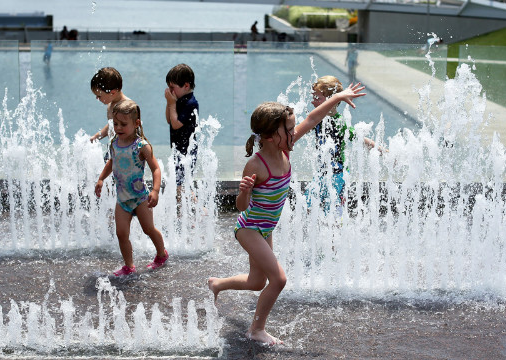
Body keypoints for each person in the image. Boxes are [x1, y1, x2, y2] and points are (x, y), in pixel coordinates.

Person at [207, 82, 366, 346]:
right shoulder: (256, 164)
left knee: (257, 282)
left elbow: (314, 117)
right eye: (289, 130)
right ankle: (256, 329)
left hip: (265, 229)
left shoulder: (283, 148)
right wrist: (244, 190)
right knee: (278, 279)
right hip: (249, 229)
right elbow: (241, 207)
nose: (295, 133)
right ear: (270, 136)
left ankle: (217, 284)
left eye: (293, 129)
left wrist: (338, 96)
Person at [94, 99, 168, 276]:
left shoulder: (142, 146)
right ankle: (129, 265)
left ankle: (161, 254)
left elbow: (156, 169)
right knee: (121, 233)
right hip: (123, 199)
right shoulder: (114, 143)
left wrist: (155, 191)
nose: (118, 128)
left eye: (123, 124)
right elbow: (112, 162)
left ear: (136, 123)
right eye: (116, 123)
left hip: (140, 198)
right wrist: (101, 179)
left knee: (148, 229)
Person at [307, 75, 385, 212]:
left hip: (338, 173)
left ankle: (336, 227)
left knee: (334, 206)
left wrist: (380, 149)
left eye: (317, 98)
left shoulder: (338, 122)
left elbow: (357, 137)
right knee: (309, 203)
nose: (313, 102)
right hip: (322, 172)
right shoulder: (317, 119)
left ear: (332, 100)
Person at [164, 63, 199, 204]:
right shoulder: (178, 100)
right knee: (179, 183)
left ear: (186, 85)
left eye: (173, 88)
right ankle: (183, 212)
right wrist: (169, 103)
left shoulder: (191, 103)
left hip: (187, 151)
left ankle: (198, 210)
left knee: (181, 184)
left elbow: (176, 124)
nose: (170, 91)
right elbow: (169, 119)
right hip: (178, 149)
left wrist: (172, 104)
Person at [90, 67, 131, 144]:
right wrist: (96, 137)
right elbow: (111, 125)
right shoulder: (111, 104)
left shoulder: (127, 107)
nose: (97, 98)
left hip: (126, 150)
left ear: (112, 93)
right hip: (115, 148)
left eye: (99, 96)